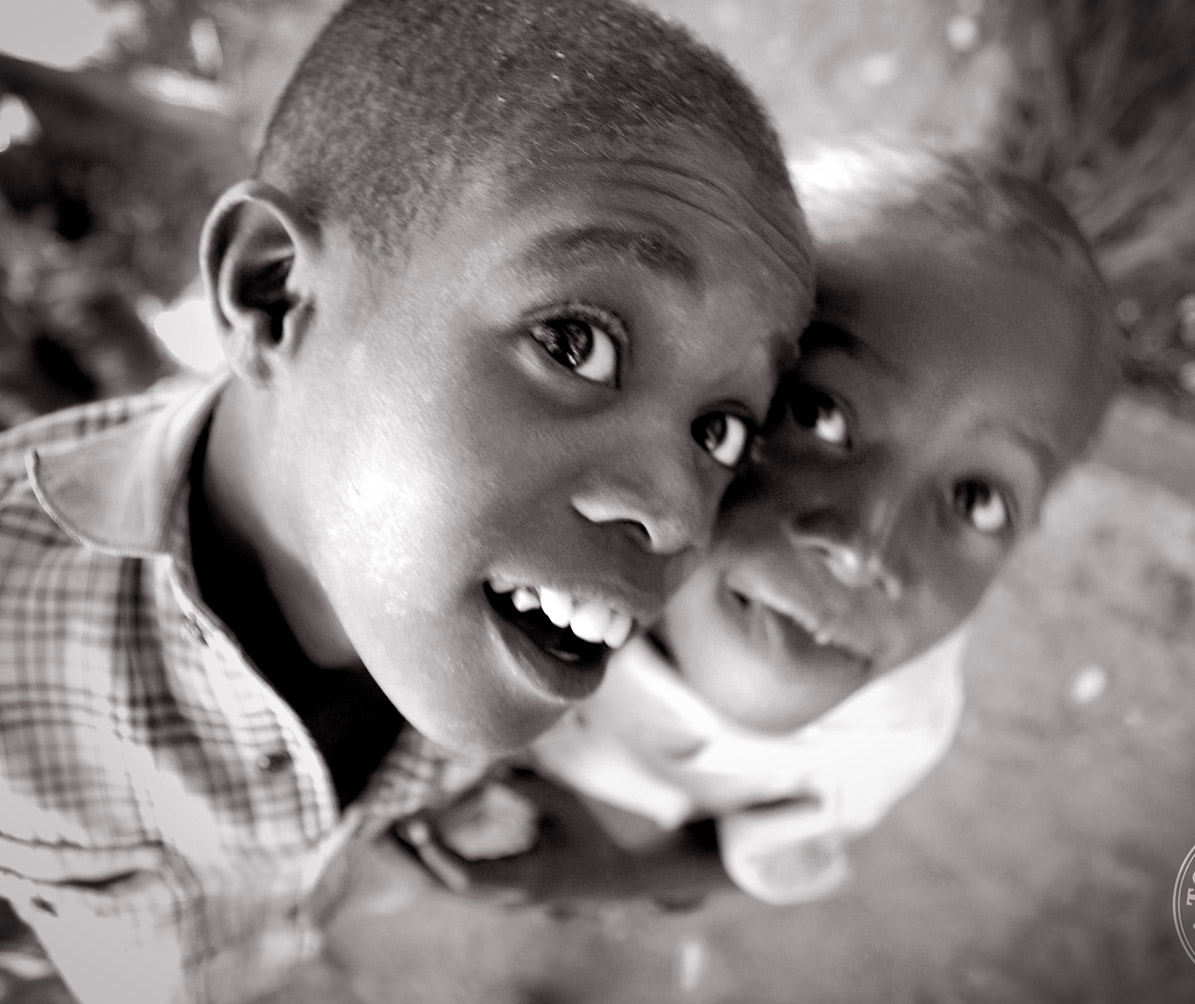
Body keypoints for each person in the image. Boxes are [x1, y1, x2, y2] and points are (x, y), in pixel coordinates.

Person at [0, 2, 815, 1001]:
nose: (675, 514)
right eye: (575, 342)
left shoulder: (474, 608)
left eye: (722, 430)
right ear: (275, 293)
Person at [420, 141, 1121, 908]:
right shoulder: (538, 515)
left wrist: (620, 875)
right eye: (817, 414)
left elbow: (770, 848)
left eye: (978, 500)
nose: (862, 549)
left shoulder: (887, 732)